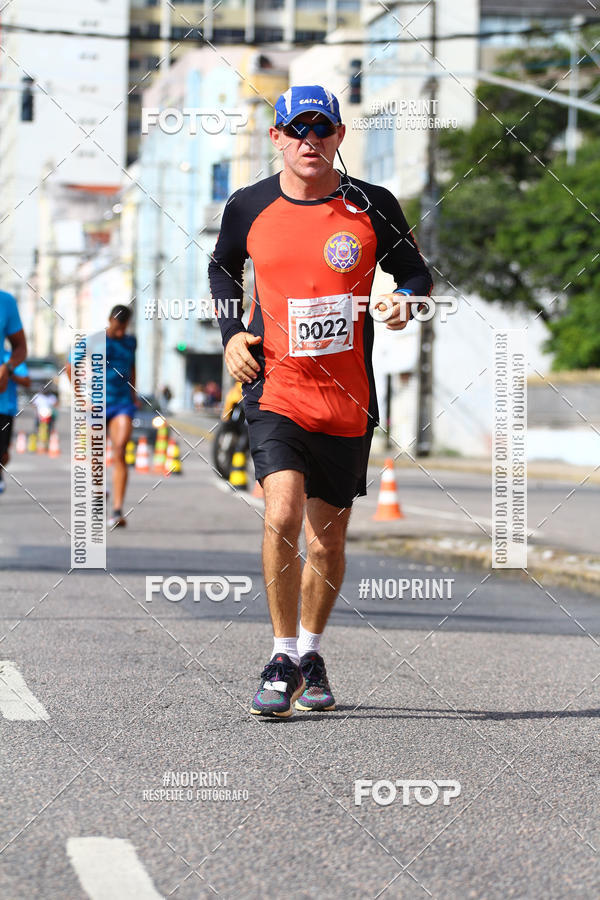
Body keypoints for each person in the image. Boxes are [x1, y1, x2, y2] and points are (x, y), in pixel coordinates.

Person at [209, 84, 433, 718]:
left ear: (339, 136)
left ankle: (310, 653)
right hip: (275, 387)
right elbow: (222, 269)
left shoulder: (372, 205)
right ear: (276, 138)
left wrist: (404, 301)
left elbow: (415, 274)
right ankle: (280, 656)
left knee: (327, 541)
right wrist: (232, 337)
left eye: (322, 130)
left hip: (347, 398)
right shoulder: (248, 205)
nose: (310, 142)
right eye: (297, 131)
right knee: (281, 513)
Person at [67, 305, 137, 528]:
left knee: (119, 451)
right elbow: (70, 367)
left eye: (123, 329)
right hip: (97, 404)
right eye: (117, 328)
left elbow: (132, 367)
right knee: (96, 456)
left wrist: (134, 395)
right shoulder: (94, 340)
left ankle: (116, 510)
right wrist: (80, 397)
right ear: (109, 320)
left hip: (122, 404)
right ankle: (99, 492)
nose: (119, 333)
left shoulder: (131, 341)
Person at [0, 290, 28, 495]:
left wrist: (8, 368)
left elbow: (20, 347)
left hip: (2, 402)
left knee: (2, 455)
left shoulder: (6, 301)